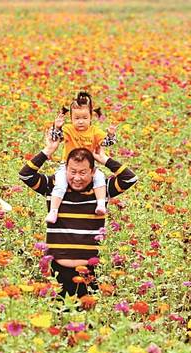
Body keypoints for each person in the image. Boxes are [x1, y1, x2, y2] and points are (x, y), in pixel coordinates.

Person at [19, 131, 137, 300]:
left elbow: (130, 179)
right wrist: (48, 150)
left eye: (83, 173)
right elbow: (25, 175)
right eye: (72, 171)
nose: (77, 178)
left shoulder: (101, 191)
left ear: (93, 172)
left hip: (90, 272)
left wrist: (104, 159)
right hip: (57, 272)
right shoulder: (53, 186)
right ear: (65, 169)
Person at [45, 91, 117, 223]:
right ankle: (53, 211)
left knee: (100, 178)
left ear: (91, 118)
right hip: (67, 166)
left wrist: (111, 135)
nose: (81, 121)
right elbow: (55, 138)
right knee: (60, 183)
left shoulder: (95, 131)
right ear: (71, 119)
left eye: (84, 118)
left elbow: (107, 143)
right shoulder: (68, 129)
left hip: (89, 168)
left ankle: (101, 204)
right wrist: (57, 126)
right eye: (77, 118)